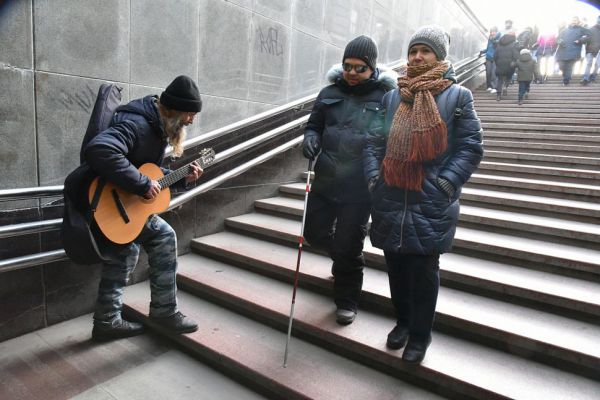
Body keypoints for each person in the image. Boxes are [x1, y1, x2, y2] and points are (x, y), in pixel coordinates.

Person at [363, 25, 483, 363]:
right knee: (396, 269)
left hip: (430, 199)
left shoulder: (458, 96)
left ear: (439, 57)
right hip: (390, 196)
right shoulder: (391, 96)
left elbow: (470, 146)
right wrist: (374, 177)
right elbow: (373, 143)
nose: (417, 56)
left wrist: (447, 183)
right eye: (413, 50)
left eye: (425, 51)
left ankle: (420, 334)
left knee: (424, 272)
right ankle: (402, 322)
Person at [80, 75, 204, 342]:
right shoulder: (138, 124)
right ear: (171, 108)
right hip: (109, 202)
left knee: (124, 251)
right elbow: (100, 149)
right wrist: (140, 184)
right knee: (164, 236)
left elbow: (148, 171)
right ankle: (164, 312)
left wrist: (182, 178)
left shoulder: (156, 125)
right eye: (188, 114)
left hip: (121, 207)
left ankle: (106, 321)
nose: (190, 121)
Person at [302, 36, 397, 325]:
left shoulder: (385, 97)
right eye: (347, 67)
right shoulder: (328, 92)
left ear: (373, 69)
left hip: (359, 187)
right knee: (313, 234)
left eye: (360, 68)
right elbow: (314, 125)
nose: (352, 73)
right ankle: (342, 258)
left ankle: (347, 298)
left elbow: (384, 140)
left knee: (349, 245)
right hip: (326, 180)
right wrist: (310, 138)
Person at [556, 16, 587, 85]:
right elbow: (558, 38)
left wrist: (580, 40)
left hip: (574, 50)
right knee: (561, 66)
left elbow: (588, 36)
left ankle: (566, 81)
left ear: (578, 22)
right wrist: (560, 41)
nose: (573, 21)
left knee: (569, 66)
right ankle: (566, 77)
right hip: (563, 51)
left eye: (575, 20)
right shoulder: (564, 30)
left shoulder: (581, 29)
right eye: (572, 20)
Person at [494, 30, 519, 100]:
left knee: (499, 79)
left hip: (500, 64)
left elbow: (495, 55)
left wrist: (497, 63)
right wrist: (515, 62)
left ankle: (498, 95)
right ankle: (505, 86)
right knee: (509, 76)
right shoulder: (514, 44)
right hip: (510, 64)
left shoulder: (499, 44)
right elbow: (516, 55)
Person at [480, 26, 501, 93]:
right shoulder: (490, 39)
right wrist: (482, 52)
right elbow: (488, 48)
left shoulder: (499, 39)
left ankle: (494, 87)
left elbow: (500, 48)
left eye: (494, 31)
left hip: (495, 58)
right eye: (491, 32)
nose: (492, 33)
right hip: (488, 57)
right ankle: (489, 86)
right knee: (488, 72)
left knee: (493, 73)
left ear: (496, 32)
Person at [581, 16, 600, 85]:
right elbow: (586, 38)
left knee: (598, 64)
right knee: (589, 63)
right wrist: (580, 40)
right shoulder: (591, 29)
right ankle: (585, 78)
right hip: (590, 49)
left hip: (599, 50)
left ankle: (593, 76)